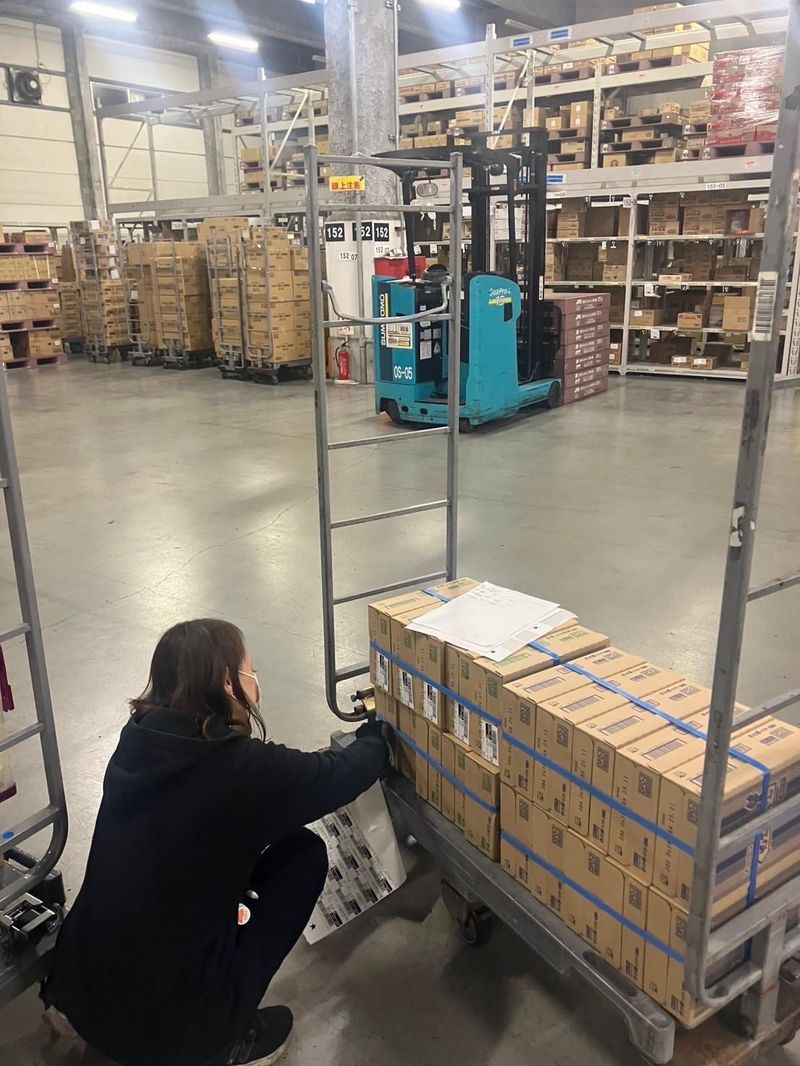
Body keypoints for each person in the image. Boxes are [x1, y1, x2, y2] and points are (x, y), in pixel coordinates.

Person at [44, 618, 392, 1066]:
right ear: (228, 682)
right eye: (250, 669)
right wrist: (376, 739)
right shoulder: (239, 768)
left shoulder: (138, 739)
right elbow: (337, 776)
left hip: (81, 986)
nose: (255, 679)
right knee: (303, 856)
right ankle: (219, 1040)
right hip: (166, 1033)